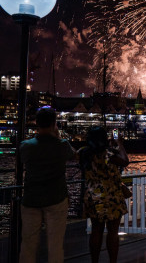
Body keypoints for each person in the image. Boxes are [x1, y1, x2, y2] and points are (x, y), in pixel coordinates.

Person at [20, 106, 76, 263]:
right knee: (55, 245)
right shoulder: (62, 145)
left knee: (28, 245)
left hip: (31, 199)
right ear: (54, 123)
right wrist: (57, 137)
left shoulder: (26, 146)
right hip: (56, 198)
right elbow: (74, 155)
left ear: (37, 123)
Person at [79, 126, 129, 263]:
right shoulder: (107, 154)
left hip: (93, 195)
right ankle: (112, 261)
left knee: (96, 230)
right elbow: (125, 161)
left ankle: (94, 260)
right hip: (111, 195)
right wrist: (120, 144)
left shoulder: (84, 153)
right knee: (112, 231)